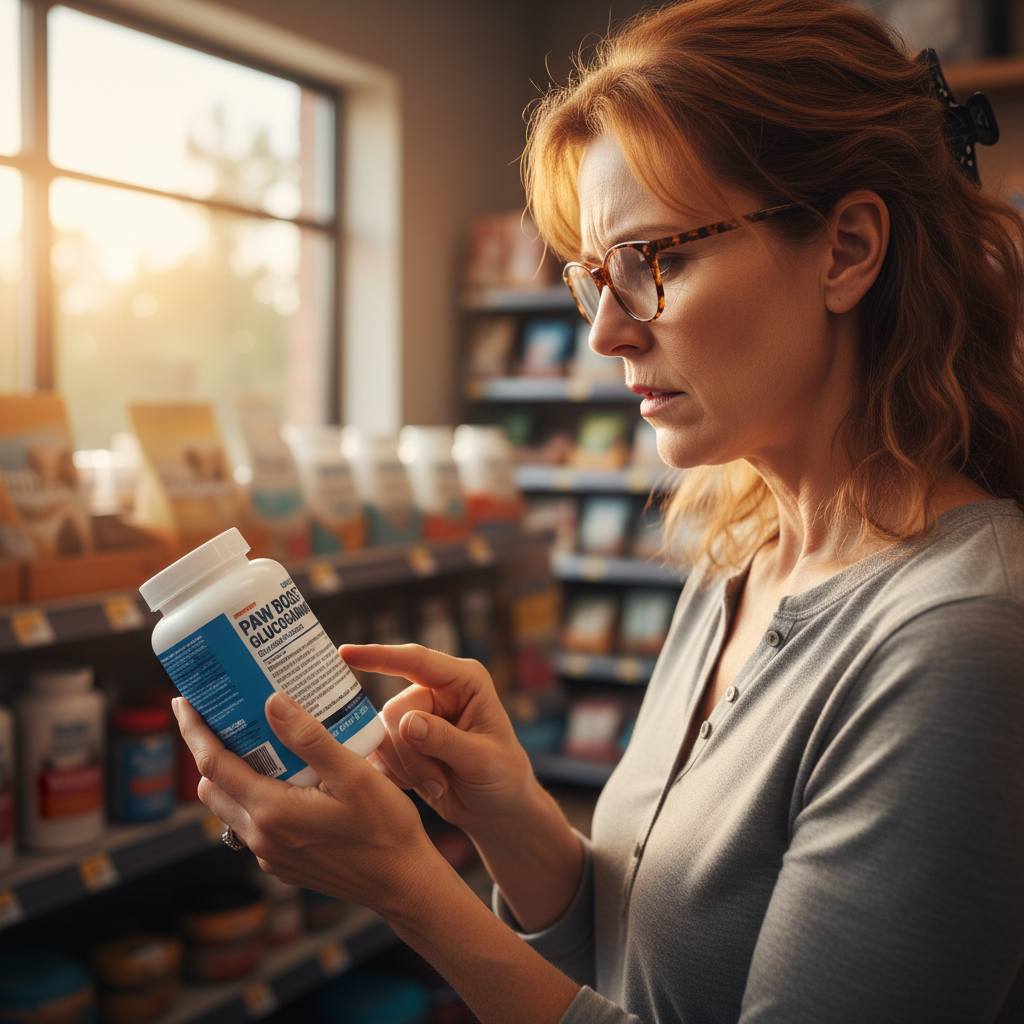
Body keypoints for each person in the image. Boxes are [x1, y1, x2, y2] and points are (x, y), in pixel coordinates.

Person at [172, 0, 1024, 1020]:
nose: (606, 334)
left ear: (844, 248)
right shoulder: (740, 554)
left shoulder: (959, 639)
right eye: (593, 277)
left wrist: (406, 887)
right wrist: (512, 816)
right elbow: (647, 969)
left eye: (656, 260)